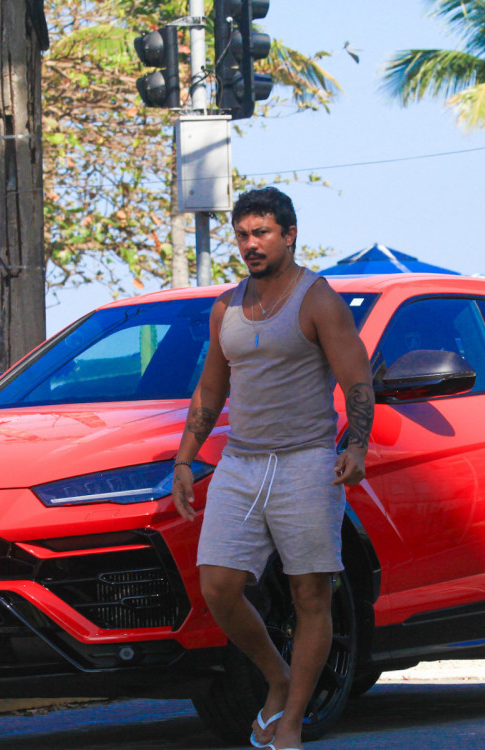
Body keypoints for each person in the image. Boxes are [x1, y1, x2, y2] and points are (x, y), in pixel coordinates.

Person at [171, 187, 374, 750]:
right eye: (242, 234)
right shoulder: (226, 307)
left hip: (306, 462)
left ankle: (290, 721)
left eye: (261, 233)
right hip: (239, 463)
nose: (250, 244)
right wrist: (185, 458)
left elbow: (357, 381)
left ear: (289, 235)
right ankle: (278, 677)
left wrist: (355, 446)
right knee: (218, 585)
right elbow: (211, 388)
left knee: (310, 593)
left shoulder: (318, 300)